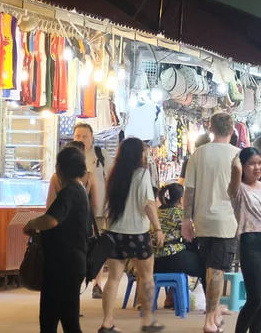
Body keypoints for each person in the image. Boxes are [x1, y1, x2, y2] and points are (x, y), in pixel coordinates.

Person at [99, 137, 164, 333]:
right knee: (146, 277)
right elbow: (148, 204)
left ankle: (107, 323)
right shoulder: (142, 174)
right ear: (139, 154)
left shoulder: (114, 174)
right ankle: (147, 321)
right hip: (137, 233)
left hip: (114, 232)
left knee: (113, 278)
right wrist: (158, 228)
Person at [182, 112, 240, 333]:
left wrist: (186, 219)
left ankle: (214, 314)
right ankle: (209, 320)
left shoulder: (198, 154)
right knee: (216, 270)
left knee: (212, 268)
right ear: (232, 130)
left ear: (210, 129)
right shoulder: (238, 155)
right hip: (226, 221)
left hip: (202, 220)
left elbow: (190, 190)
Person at [24, 145, 90, 333]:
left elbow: (51, 220)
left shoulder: (69, 193)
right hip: (69, 263)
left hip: (64, 265)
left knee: (66, 321)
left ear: (59, 169)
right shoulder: (80, 190)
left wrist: (32, 224)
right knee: (51, 318)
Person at [228, 147, 261, 333]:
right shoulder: (237, 189)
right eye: (251, 163)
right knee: (255, 298)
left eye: (259, 163)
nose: (257, 167)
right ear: (243, 166)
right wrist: (237, 158)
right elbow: (235, 170)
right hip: (250, 242)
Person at [72, 122, 110, 299]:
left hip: (100, 209)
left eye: (85, 136)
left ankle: (97, 283)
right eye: (78, 136)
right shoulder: (68, 156)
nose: (81, 139)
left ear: (92, 138)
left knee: (97, 247)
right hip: (75, 212)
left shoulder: (101, 155)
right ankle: (77, 282)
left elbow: (111, 179)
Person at [153, 183, 205, 308]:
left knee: (184, 258)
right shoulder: (179, 214)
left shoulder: (156, 212)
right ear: (181, 199)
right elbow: (192, 235)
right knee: (205, 268)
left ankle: (170, 298)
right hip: (171, 258)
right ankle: (212, 305)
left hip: (154, 261)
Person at [47, 141, 98, 216]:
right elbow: (95, 206)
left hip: (60, 222)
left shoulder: (56, 177)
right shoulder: (90, 177)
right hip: (82, 223)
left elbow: (49, 205)